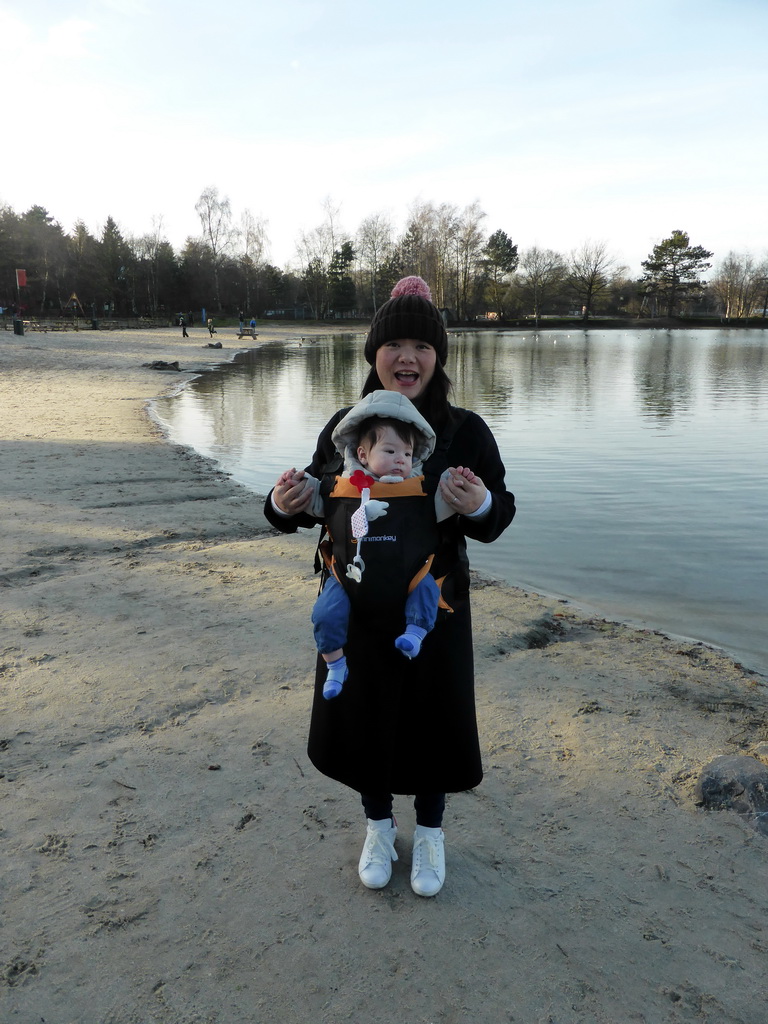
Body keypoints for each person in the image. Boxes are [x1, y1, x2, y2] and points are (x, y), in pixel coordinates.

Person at [264, 275, 515, 898]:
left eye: (422, 346)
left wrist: (479, 503)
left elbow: (499, 518)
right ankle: (378, 826)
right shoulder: (345, 428)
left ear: (440, 357)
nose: (408, 358)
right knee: (365, 717)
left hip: (435, 606)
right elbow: (311, 507)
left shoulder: (465, 431)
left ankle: (428, 833)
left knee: (432, 719)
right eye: (395, 344)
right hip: (352, 605)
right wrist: (282, 501)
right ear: (374, 355)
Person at [296, 390, 478, 700]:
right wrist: (289, 489)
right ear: (363, 454)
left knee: (427, 589)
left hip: (409, 574)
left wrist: (465, 487)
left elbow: (458, 502)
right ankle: (336, 665)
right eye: (390, 451)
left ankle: (415, 632)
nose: (400, 460)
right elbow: (309, 496)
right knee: (326, 614)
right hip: (349, 574)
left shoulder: (424, 489)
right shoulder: (340, 486)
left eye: (407, 454)